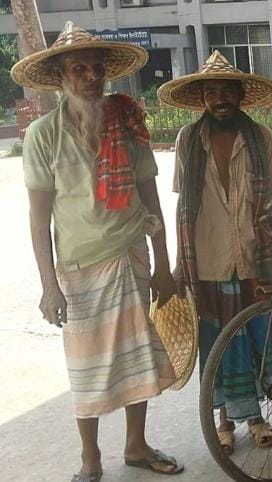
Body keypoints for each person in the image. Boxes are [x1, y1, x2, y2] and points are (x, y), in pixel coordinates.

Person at [13, 22, 183, 481]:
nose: (91, 76)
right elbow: (38, 218)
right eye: (79, 68)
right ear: (62, 78)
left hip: (130, 254)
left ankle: (136, 445)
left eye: (96, 68)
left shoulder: (127, 123)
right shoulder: (43, 135)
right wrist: (49, 286)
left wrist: (164, 264)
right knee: (85, 368)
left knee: (138, 356)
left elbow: (151, 197)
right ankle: (90, 457)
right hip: (79, 268)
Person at [157, 51, 272, 454]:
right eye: (211, 91)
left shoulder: (260, 137)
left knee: (257, 339)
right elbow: (184, 210)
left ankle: (256, 417)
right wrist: (180, 264)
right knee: (219, 343)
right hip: (209, 259)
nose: (219, 98)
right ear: (201, 98)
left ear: (240, 95)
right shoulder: (187, 141)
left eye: (227, 90)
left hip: (253, 257)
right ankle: (225, 420)